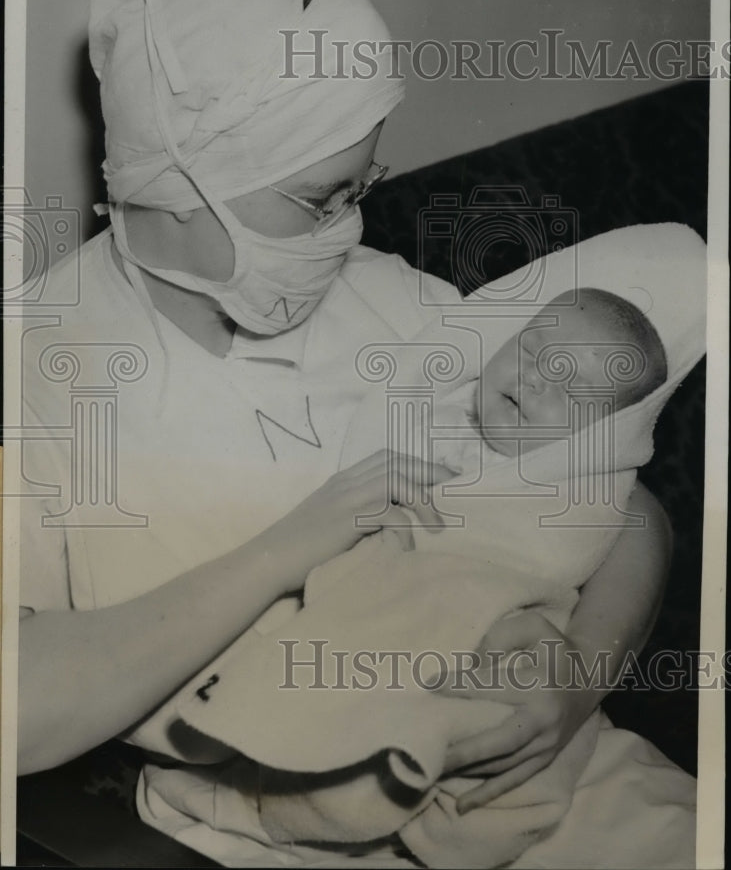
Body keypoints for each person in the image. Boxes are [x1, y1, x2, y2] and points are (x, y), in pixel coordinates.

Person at [18, 0, 691, 868]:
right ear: (176, 184)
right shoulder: (41, 367)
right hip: (286, 808)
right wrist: (295, 541)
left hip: (530, 767)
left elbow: (619, 504)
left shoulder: (381, 296)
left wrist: (577, 676)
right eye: (318, 200)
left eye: (359, 189)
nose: (352, 230)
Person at [162, 264, 701, 869]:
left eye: (571, 390)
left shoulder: (587, 486)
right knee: (355, 743)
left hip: (509, 646)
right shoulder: (433, 418)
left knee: (508, 772)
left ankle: (451, 832)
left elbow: (617, 531)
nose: (535, 379)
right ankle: (265, 809)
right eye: (532, 349)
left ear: (605, 437)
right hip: (404, 626)